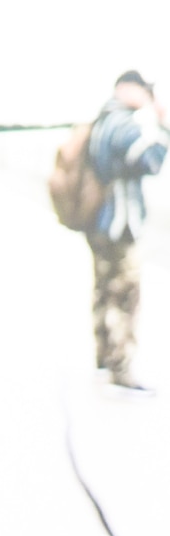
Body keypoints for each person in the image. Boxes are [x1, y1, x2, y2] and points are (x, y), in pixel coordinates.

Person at [85, 69, 169, 394]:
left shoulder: (101, 120)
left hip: (99, 222)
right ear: (125, 88)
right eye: (143, 89)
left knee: (104, 290)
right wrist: (163, 124)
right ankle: (121, 371)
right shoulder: (123, 123)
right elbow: (150, 161)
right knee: (125, 295)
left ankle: (104, 360)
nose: (148, 95)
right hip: (121, 224)